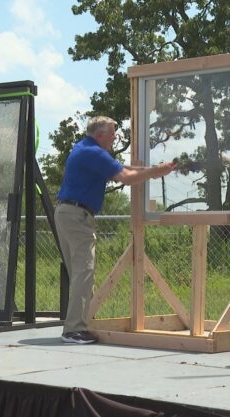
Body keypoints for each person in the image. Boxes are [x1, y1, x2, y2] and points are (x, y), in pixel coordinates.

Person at [55, 116, 174, 344]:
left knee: (81, 272)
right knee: (84, 271)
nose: (114, 137)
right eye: (112, 133)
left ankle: (83, 323)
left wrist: (155, 169)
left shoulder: (84, 148)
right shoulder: (95, 153)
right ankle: (73, 330)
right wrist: (155, 172)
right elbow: (126, 178)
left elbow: (124, 167)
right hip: (77, 216)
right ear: (99, 135)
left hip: (67, 213)